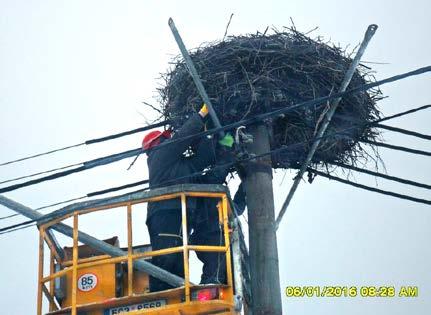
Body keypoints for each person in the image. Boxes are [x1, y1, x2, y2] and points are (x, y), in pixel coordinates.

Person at [143, 104, 235, 291]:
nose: (168, 142)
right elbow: (180, 140)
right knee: (168, 260)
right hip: (165, 215)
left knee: (177, 261)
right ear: (156, 144)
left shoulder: (181, 170)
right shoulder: (157, 157)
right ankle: (161, 296)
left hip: (181, 214)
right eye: (164, 140)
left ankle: (177, 294)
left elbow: (204, 161)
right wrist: (201, 115)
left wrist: (225, 143)